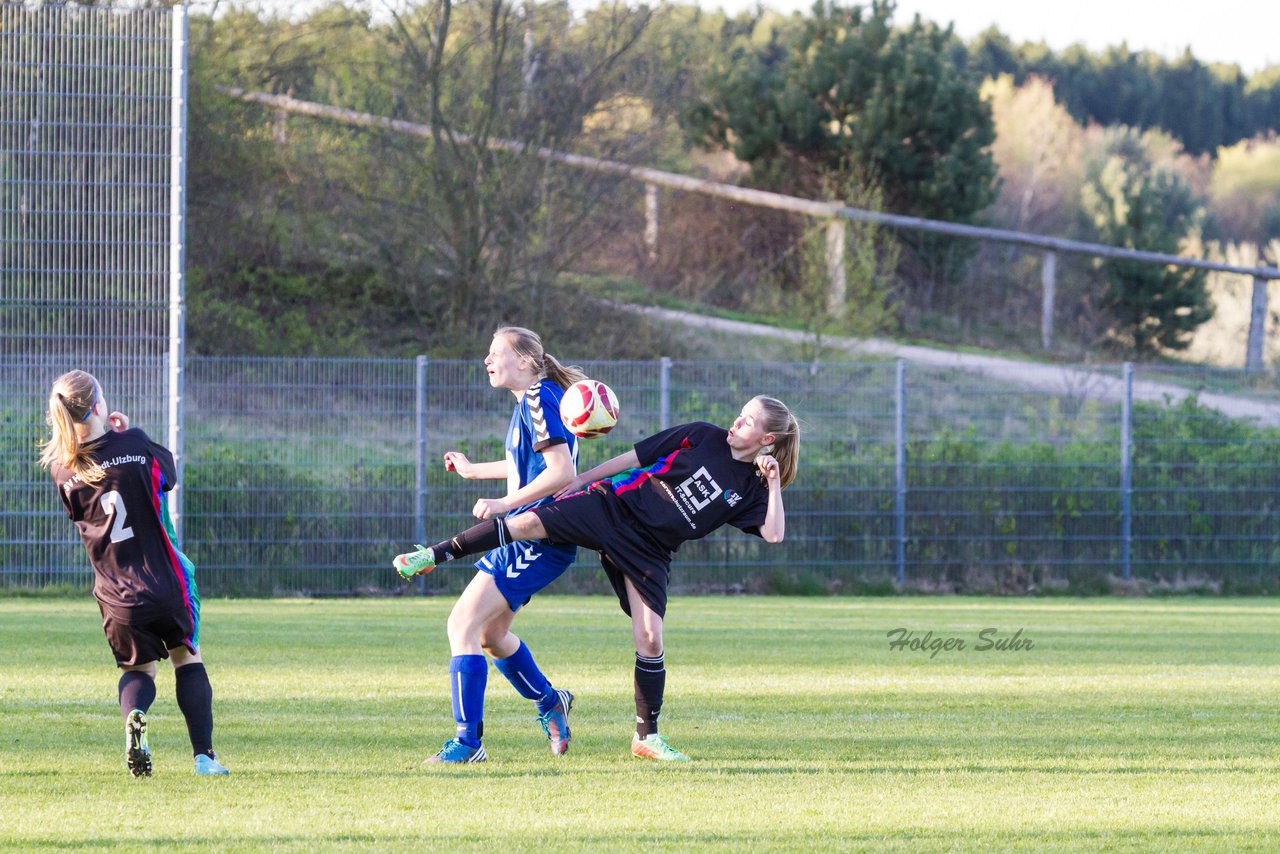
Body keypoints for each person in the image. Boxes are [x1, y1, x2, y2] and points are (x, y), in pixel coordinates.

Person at [395, 394, 799, 762]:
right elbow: (634, 457)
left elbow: (774, 533)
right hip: (613, 506)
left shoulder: (752, 487)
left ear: (768, 439)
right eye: (740, 415)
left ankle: (646, 737)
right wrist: (580, 481)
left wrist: (773, 483)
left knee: (651, 638)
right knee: (525, 524)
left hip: (650, 550)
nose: (736, 423)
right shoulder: (701, 436)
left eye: (748, 422)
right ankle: (436, 553)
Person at [393, 326, 587, 764]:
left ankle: (468, 742)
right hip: (526, 534)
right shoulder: (534, 402)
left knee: (461, 624)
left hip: (541, 537)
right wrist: (472, 471)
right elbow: (528, 462)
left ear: (524, 360)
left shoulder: (539, 398)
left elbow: (561, 473)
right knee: (491, 635)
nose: (487, 359)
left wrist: (505, 503)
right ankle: (550, 701)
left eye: (496, 352)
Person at [39, 370, 230, 777]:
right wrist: (128, 432)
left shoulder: (62, 470)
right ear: (96, 407)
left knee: (138, 671)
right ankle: (205, 758)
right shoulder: (135, 444)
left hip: (116, 597)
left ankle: (135, 719)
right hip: (164, 582)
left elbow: (87, 496)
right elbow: (167, 476)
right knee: (187, 658)